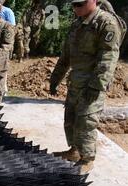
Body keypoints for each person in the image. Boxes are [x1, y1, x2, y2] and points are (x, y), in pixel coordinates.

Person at [50, 0, 122, 174]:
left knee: (86, 121)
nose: (76, 8)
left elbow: (108, 58)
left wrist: (96, 86)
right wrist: (55, 78)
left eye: (80, 4)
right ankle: (75, 151)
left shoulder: (106, 23)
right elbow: (66, 56)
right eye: (74, 4)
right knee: (71, 118)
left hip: (92, 84)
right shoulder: (77, 25)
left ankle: (87, 159)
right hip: (75, 82)